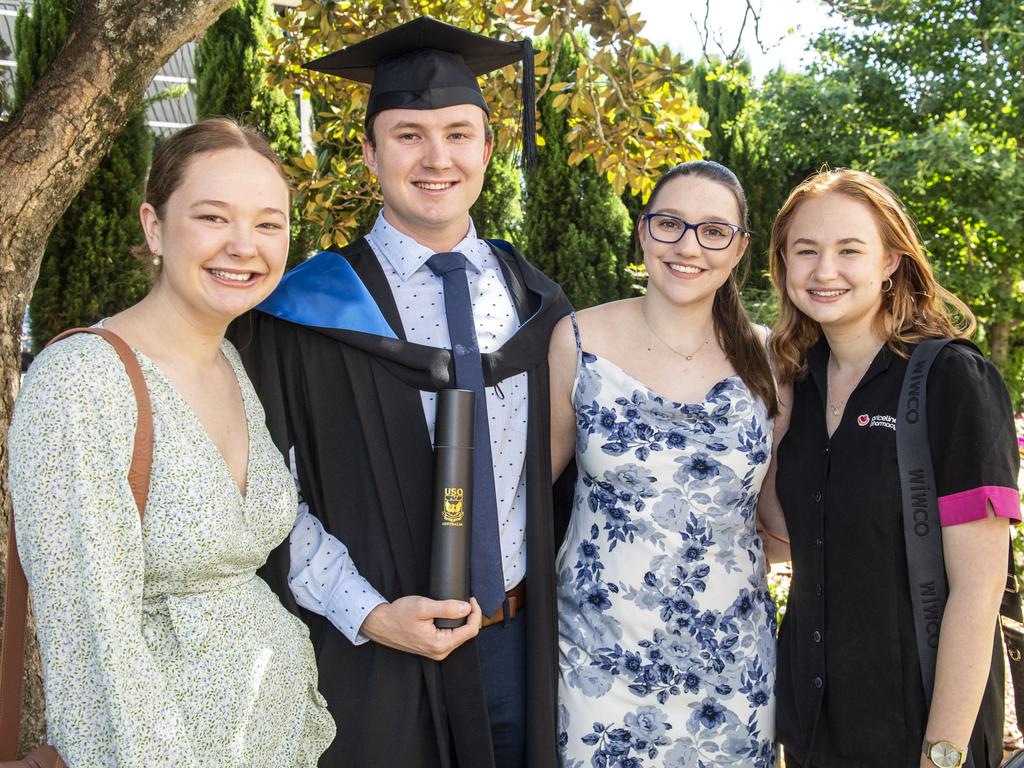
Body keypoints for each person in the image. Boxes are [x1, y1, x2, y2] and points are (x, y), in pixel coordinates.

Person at [230, 16, 571, 768]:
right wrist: (372, 614)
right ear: (370, 152)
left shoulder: (538, 305)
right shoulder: (302, 313)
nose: (436, 157)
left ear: (488, 146)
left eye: (457, 132)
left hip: (520, 648)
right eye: (409, 134)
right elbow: (257, 495)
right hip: (370, 659)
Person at [6, 117, 335, 767]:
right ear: (154, 228)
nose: (245, 245)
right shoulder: (83, 384)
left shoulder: (232, 369)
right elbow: (93, 650)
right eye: (213, 217)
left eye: (269, 223)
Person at [767, 168, 1020, 768]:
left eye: (850, 250)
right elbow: (781, 539)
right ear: (783, 265)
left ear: (891, 263)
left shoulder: (952, 380)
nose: (824, 270)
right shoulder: (797, 386)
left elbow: (979, 589)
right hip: (812, 726)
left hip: (918, 727)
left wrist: (944, 751)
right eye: (806, 250)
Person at [548, 160, 781, 768]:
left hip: (731, 662)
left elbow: (779, 516)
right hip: (598, 660)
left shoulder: (770, 359)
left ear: (740, 249)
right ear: (643, 230)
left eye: (713, 231)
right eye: (670, 224)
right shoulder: (577, 340)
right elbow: (523, 490)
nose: (688, 246)